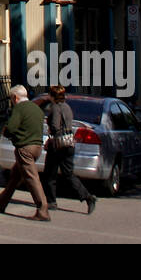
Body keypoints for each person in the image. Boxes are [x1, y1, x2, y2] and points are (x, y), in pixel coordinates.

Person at [0, 84, 50, 221]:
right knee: (15, 175)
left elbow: (11, 127)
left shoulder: (19, 108)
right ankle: (2, 200)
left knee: (32, 178)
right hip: (37, 146)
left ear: (15, 97)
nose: (12, 101)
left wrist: (7, 132)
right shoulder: (36, 108)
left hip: (25, 147)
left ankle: (43, 210)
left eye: (12, 98)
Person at [43, 85, 96, 215]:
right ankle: (87, 197)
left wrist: (50, 134)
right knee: (68, 174)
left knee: (49, 174)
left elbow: (55, 126)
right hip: (68, 143)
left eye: (50, 94)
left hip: (57, 145)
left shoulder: (55, 108)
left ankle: (51, 201)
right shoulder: (67, 107)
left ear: (52, 96)